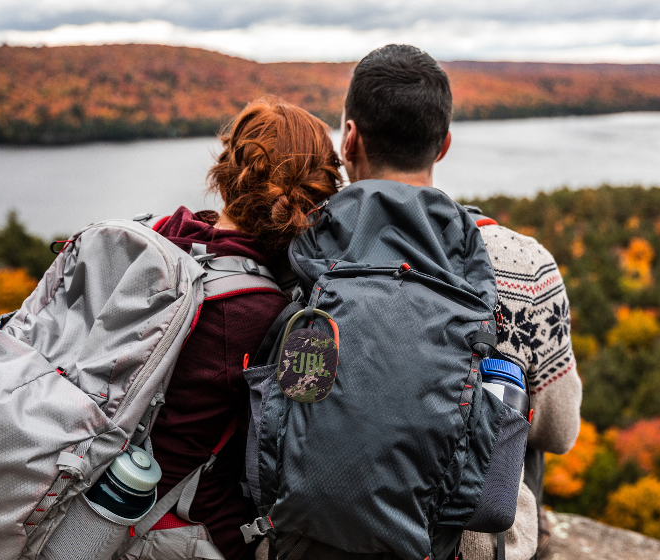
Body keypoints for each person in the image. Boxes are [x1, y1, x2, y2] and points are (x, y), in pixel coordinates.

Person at [338, 44, 582, 559]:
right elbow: (560, 431)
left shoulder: (307, 251)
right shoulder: (523, 263)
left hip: (322, 528)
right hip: (464, 543)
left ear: (350, 139)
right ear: (443, 144)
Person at [149, 98, 342, 559]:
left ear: (229, 171)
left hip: (106, 493)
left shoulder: (163, 238)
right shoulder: (266, 313)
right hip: (193, 532)